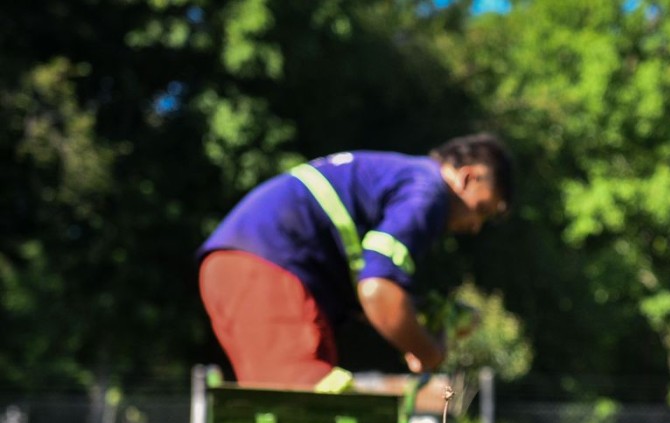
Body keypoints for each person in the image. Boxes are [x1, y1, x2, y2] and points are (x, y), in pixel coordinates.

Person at [197, 134, 513, 389]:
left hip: (242, 266)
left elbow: (380, 294)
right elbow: (378, 289)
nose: (474, 226)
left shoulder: (404, 178)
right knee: (311, 414)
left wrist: (417, 321)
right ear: (468, 177)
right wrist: (430, 351)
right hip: (267, 268)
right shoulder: (428, 190)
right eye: (482, 210)